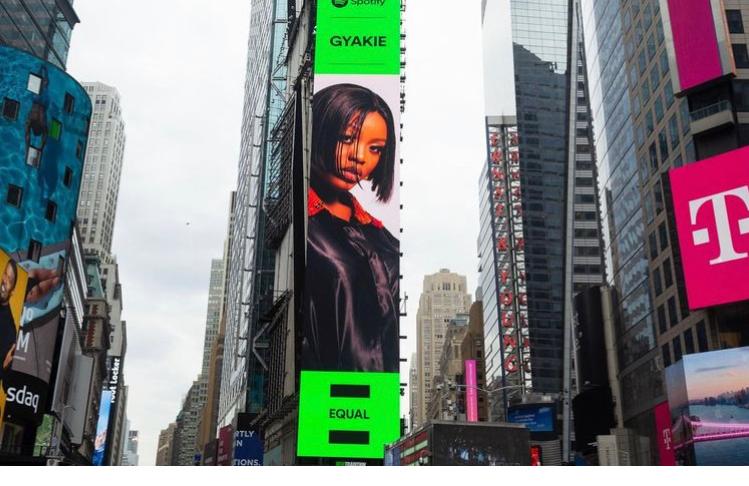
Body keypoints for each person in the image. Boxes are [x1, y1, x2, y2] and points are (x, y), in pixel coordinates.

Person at [303, 83, 399, 372]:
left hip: (379, 399)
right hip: (320, 397)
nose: (360, 156)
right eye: (346, 139)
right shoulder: (299, 227)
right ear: (317, 130)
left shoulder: (383, 237)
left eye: (375, 149)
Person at [0, 259, 19, 387]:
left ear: (12, 290)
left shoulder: (10, 330)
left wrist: (6, 367)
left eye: (10, 280)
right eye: (5, 274)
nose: (5, 280)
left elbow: (6, 385)